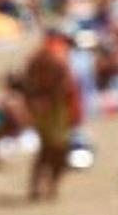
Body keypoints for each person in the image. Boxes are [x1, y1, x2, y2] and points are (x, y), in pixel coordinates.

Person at [23, 31, 82, 201]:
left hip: (45, 104)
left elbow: (28, 82)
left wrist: (34, 101)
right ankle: (50, 185)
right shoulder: (58, 56)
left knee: (47, 147)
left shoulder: (37, 56)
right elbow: (65, 84)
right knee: (57, 148)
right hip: (56, 107)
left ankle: (39, 186)